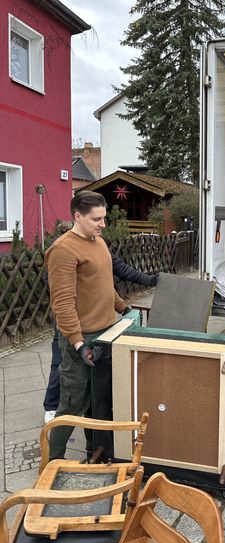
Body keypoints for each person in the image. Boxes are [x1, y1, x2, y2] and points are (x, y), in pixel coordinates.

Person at [45, 191, 135, 460]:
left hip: (107, 333)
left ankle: (93, 454)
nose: (102, 224)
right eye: (97, 219)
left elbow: (104, 285)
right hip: (82, 340)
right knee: (72, 405)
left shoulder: (98, 242)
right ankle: (51, 465)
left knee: (99, 403)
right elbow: (62, 303)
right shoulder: (63, 250)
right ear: (77, 216)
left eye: (104, 218)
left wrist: (123, 309)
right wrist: (78, 342)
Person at [43, 254, 157, 423]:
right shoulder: (64, 251)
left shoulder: (98, 248)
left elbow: (122, 272)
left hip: (92, 321)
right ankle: (52, 406)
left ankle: (83, 407)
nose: (100, 226)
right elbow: (52, 282)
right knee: (60, 363)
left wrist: (150, 280)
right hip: (69, 319)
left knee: (87, 366)